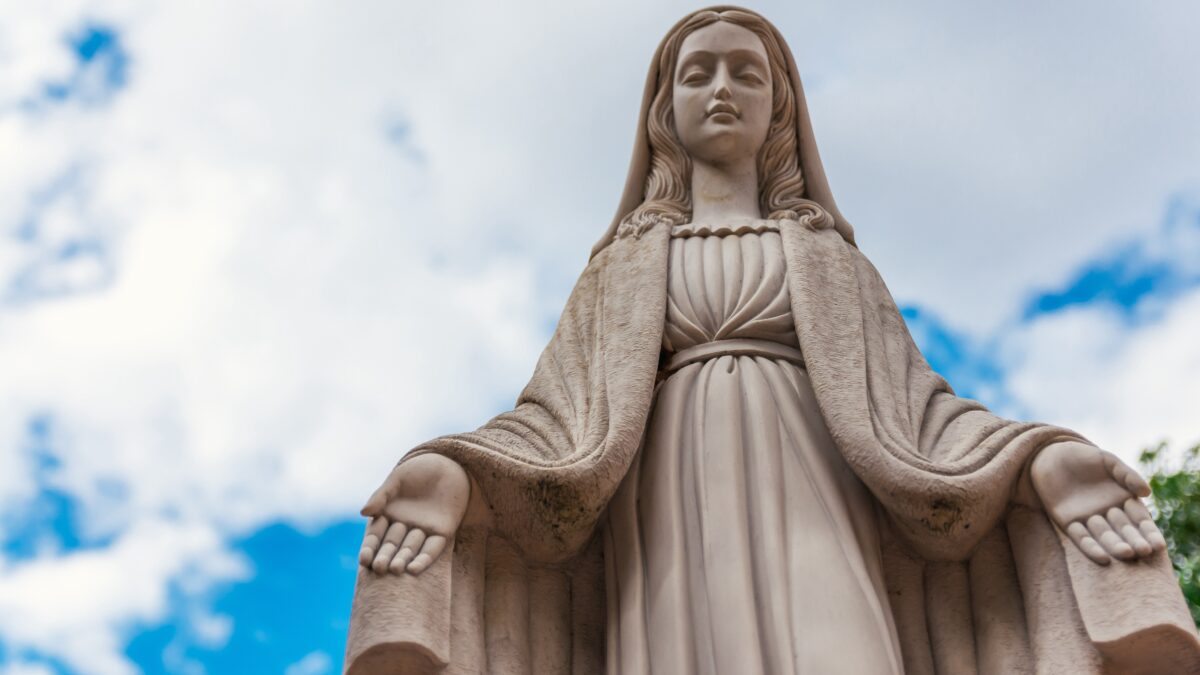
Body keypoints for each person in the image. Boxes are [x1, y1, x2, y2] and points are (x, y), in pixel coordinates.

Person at [346, 7, 1200, 674]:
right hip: (668, 513)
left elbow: (921, 414)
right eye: (697, 73)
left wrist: (1041, 459)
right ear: (663, 109)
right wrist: (453, 469)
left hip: (816, 495)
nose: (722, 88)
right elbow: (555, 421)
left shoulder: (827, 258)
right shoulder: (622, 268)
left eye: (746, 73)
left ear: (778, 105)